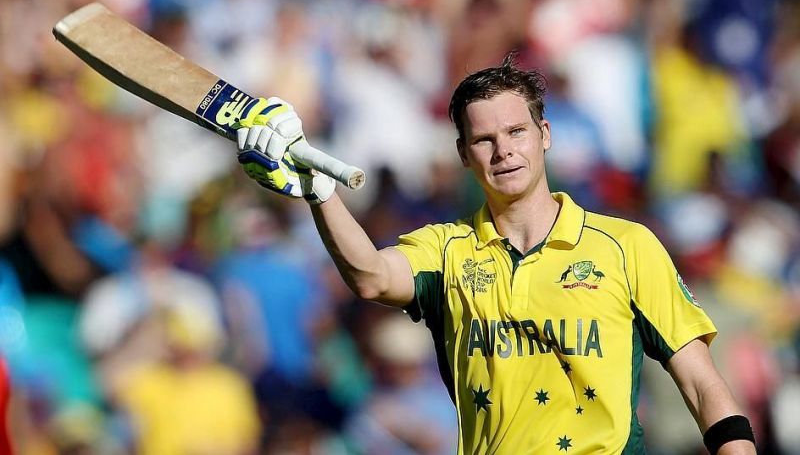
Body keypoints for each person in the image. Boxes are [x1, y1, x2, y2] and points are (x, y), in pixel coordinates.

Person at [232, 53, 757, 454]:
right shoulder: (446, 248)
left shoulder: (627, 246)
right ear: (463, 153)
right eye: (483, 139)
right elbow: (369, 275)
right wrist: (317, 190)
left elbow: (701, 381)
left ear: (544, 135)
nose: (503, 150)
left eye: (516, 132)